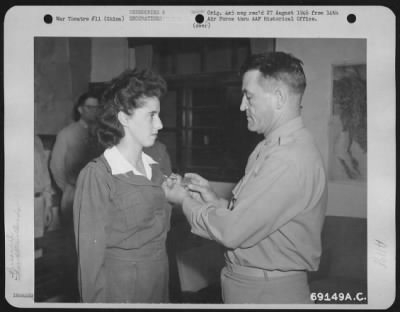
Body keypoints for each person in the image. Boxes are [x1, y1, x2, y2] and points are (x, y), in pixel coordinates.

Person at [163, 51, 328, 304]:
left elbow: (232, 231)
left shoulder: (287, 158)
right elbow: (254, 217)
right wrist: (212, 199)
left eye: (249, 97)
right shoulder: (270, 148)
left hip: (267, 292)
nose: (242, 106)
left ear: (279, 98)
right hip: (254, 285)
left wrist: (184, 200)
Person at [73, 69, 171, 303]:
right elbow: (90, 262)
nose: (160, 123)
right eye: (151, 115)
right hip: (122, 291)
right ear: (124, 117)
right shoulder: (98, 175)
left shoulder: (154, 169)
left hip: (158, 283)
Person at [49, 92, 103, 225]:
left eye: (97, 108)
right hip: (74, 194)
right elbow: (56, 166)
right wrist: (68, 189)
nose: (94, 111)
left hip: (99, 194)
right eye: (90, 107)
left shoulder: (102, 134)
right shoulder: (66, 134)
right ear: (80, 109)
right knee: (73, 240)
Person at [34, 135, 55, 238]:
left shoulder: (36, 140)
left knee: (37, 249)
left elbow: (45, 175)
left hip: (38, 202)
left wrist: (48, 205)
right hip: (19, 204)